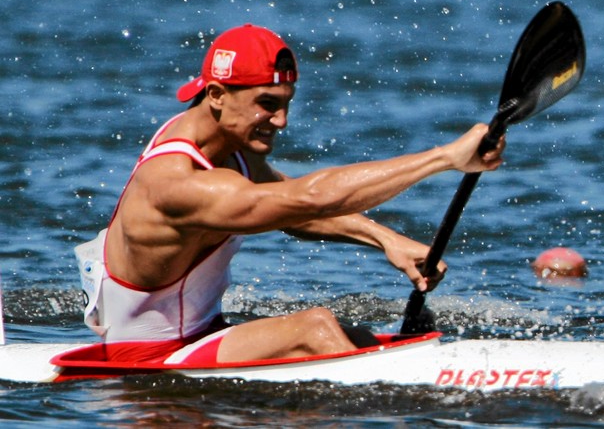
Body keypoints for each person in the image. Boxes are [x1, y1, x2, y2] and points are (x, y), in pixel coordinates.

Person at [75, 23, 504, 365]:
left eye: (287, 101)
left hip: (203, 333)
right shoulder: (177, 183)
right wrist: (445, 158)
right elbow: (309, 198)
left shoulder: (226, 147)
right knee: (313, 329)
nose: (281, 120)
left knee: (352, 334)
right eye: (267, 103)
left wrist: (384, 239)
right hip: (150, 357)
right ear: (217, 95)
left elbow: (293, 210)